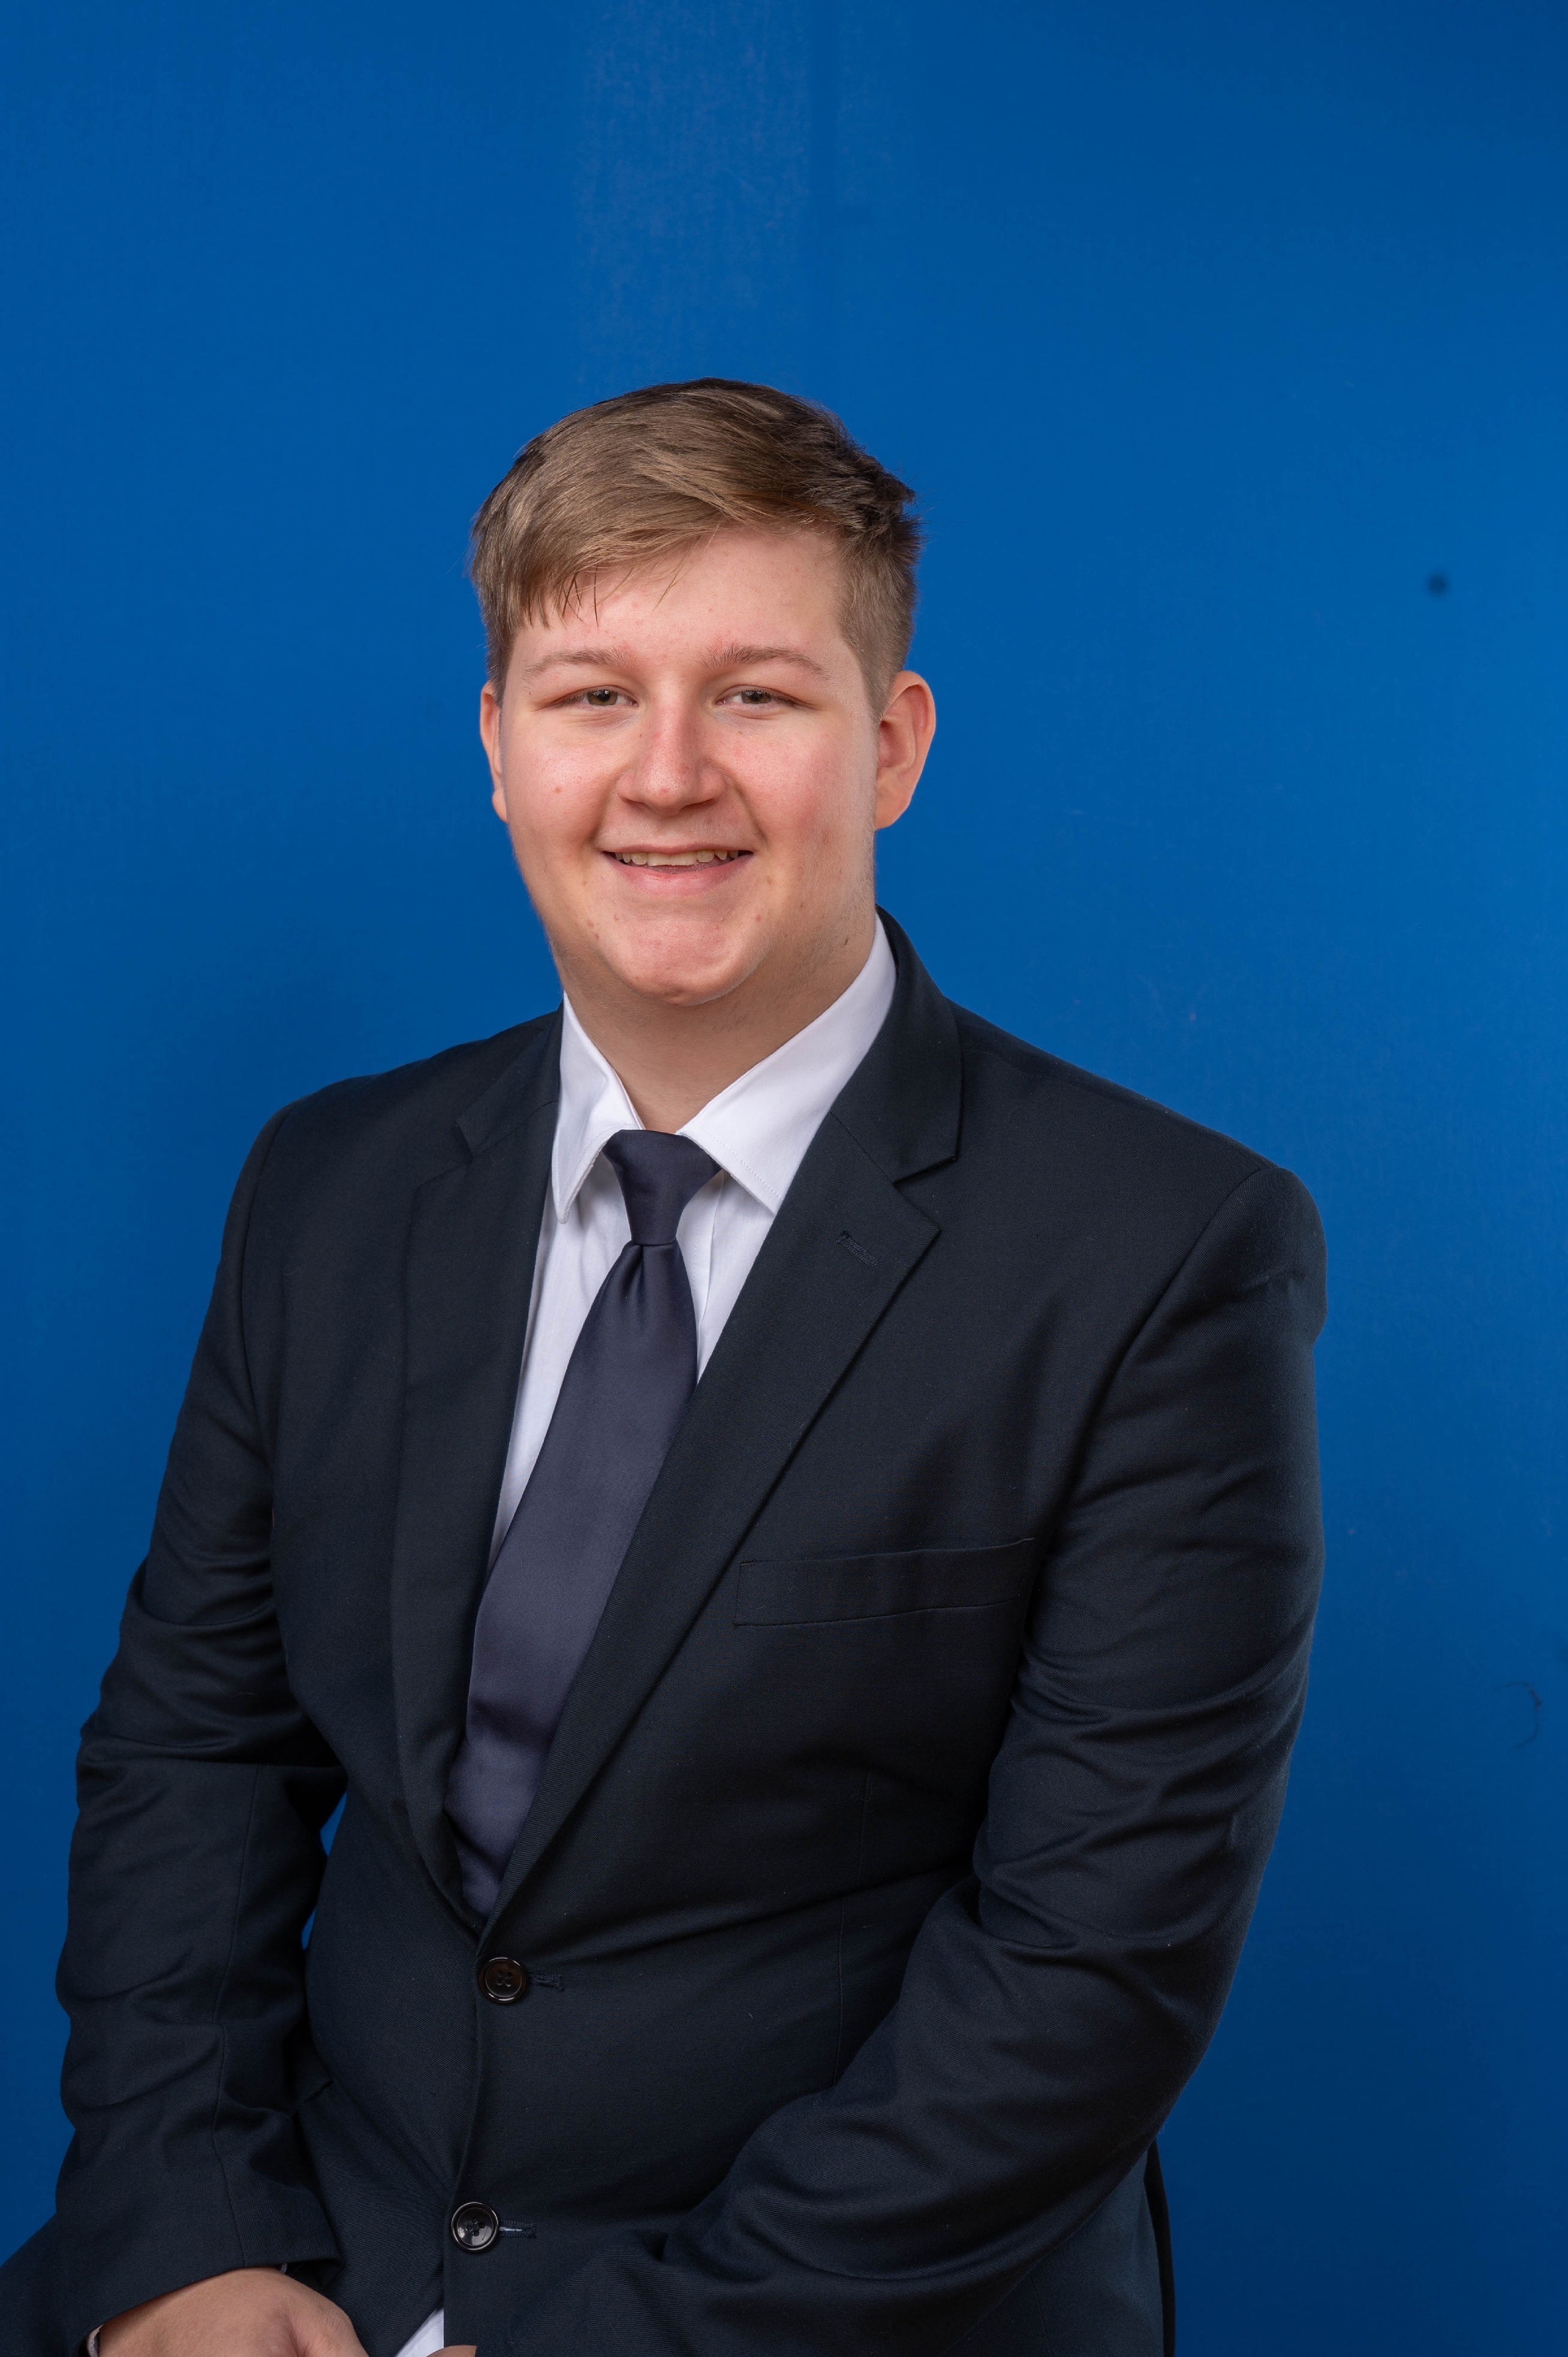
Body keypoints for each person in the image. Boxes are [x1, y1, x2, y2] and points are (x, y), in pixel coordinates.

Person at [1, 379, 1325, 2357]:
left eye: (758, 696)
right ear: (499, 747)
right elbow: (197, 1752)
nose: (668, 775)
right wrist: (187, 2234)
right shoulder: (331, 1185)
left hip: (824, 2309)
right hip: (307, 2254)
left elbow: (1085, 1970)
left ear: (893, 744)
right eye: (595, 695)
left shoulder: (1163, 1255)